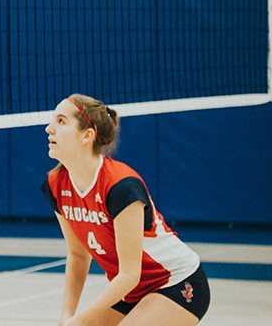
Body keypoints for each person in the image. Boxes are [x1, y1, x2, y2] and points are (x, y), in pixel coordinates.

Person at [43, 94, 208, 325]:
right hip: (129, 290)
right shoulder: (56, 184)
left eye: (61, 121)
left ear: (87, 135)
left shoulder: (121, 186)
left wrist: (80, 321)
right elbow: (78, 255)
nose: (49, 128)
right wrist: (66, 316)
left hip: (175, 282)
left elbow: (130, 274)